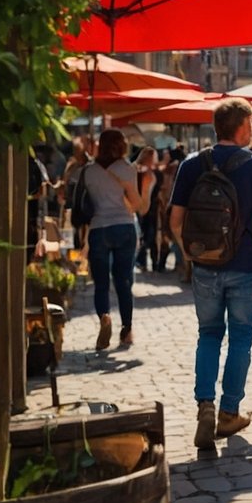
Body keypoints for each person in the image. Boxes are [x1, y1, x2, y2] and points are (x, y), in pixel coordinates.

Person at [168, 97, 252, 449]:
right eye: (251, 124)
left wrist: (191, 255)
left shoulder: (192, 165)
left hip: (206, 267)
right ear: (241, 128)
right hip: (247, 267)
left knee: (208, 334)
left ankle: (204, 406)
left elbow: (175, 221)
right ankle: (228, 414)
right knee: (241, 338)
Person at [85, 128, 148, 350]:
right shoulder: (127, 169)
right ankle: (126, 330)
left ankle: (104, 317)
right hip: (123, 226)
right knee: (123, 281)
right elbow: (137, 204)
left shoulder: (89, 172)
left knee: (101, 283)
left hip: (98, 227)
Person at [133, 146, 162, 270]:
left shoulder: (137, 171)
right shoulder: (150, 174)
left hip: (144, 208)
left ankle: (145, 262)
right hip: (149, 208)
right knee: (150, 236)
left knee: (146, 235)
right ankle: (151, 263)